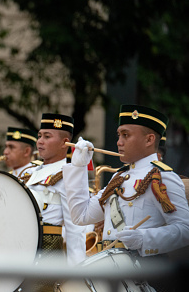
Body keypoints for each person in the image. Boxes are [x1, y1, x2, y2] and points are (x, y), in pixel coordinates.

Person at [64, 104, 189, 291]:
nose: (119, 142)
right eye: (118, 135)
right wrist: (78, 168)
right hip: (109, 272)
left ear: (149, 139)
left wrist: (144, 238)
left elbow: (185, 229)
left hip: (142, 274)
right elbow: (81, 215)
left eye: (126, 135)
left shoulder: (162, 177)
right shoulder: (119, 177)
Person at [19, 114, 87, 267]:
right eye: (39, 136)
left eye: (47, 136)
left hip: (46, 252)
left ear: (65, 143)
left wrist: (76, 274)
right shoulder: (29, 173)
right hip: (20, 247)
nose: (40, 141)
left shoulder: (68, 174)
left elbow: (75, 230)